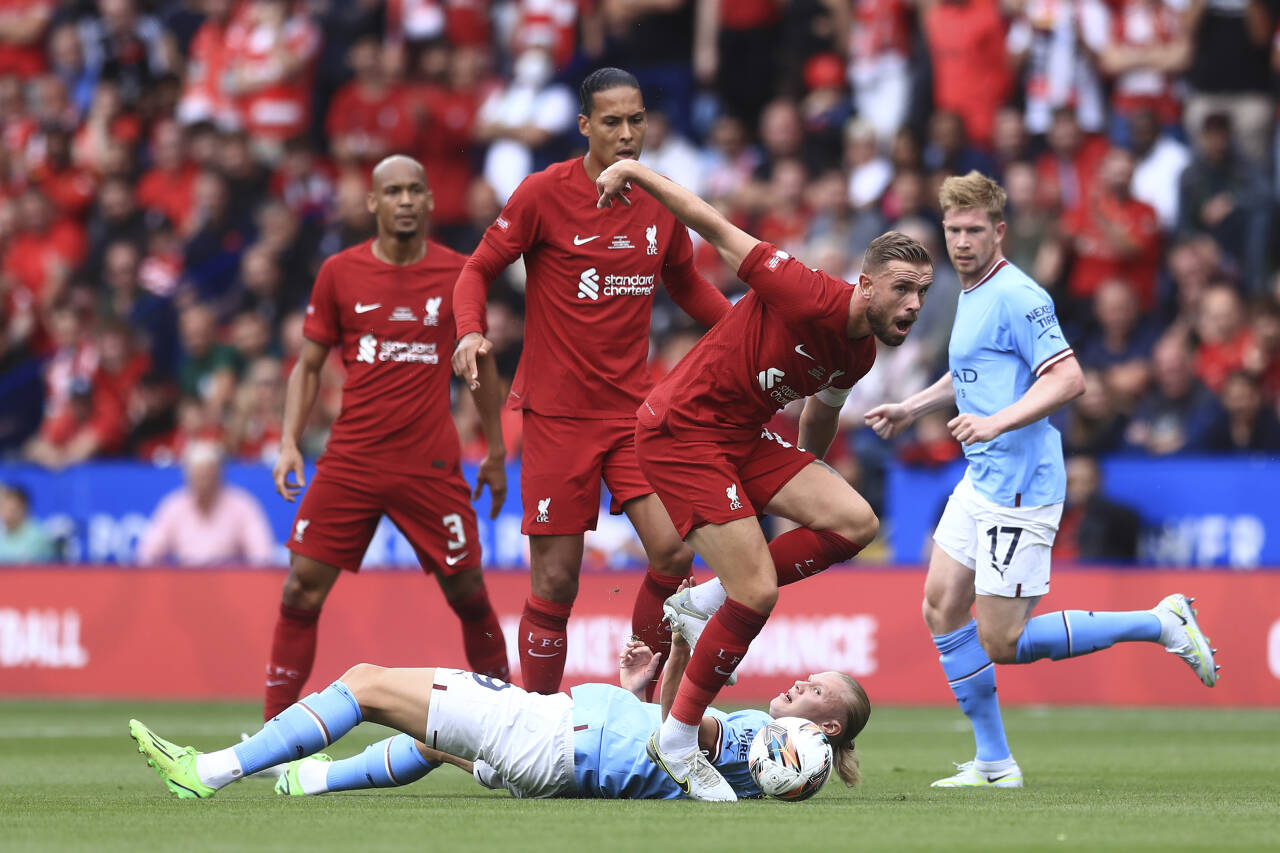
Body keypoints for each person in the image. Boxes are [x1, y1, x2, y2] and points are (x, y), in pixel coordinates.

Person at [592, 158, 934, 801]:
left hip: (742, 439)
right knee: (757, 594)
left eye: (922, 292)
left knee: (856, 520)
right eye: (902, 290)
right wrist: (636, 170)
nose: (913, 305)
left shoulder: (859, 352)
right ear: (865, 285)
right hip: (682, 430)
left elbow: (820, 416)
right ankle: (676, 738)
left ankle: (701, 602)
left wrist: (804, 486)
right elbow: (714, 226)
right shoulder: (806, 292)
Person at [863, 171, 1219, 790]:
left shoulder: (1021, 296)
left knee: (1003, 640)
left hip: (1022, 485)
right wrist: (913, 407)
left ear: (1000, 231)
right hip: (984, 477)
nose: (963, 241)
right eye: (953, 230)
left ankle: (1161, 622)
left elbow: (1068, 378)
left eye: (975, 230)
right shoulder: (970, 292)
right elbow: (972, 369)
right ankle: (995, 762)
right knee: (941, 605)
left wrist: (996, 422)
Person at [451, 68, 731, 698]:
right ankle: (540, 725)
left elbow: (687, 287)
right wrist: (469, 331)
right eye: (612, 122)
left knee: (674, 554)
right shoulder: (542, 194)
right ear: (585, 127)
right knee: (555, 584)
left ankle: (633, 700)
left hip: (636, 419)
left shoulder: (660, 200)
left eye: (637, 120)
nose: (628, 134)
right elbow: (476, 270)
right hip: (555, 417)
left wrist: (750, 331)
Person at [265, 155, 510, 721]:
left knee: (469, 594)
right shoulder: (338, 272)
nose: (404, 200)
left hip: (429, 464)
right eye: (393, 191)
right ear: (373, 202)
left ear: (429, 201)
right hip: (351, 459)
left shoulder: (459, 274)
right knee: (299, 589)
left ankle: (510, 727)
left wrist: (496, 452)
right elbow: (307, 366)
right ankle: (274, 731)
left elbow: (481, 361)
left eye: (415, 191)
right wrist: (287, 443)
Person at [128, 631, 871, 801]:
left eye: (814, 690)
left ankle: (209, 770)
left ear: (825, 726)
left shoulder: (756, 739)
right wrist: (640, 686)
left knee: (364, 683)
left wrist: (686, 644)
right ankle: (306, 779)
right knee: (425, 732)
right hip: (560, 746)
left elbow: (690, 724)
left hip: (549, 734)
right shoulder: (765, 769)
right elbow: (666, 740)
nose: (800, 683)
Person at [137, 440, 276, 566]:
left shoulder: (242, 505)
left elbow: (262, 556)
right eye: (198, 476)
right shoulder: (173, 506)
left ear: (218, 475)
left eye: (207, 476)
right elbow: (146, 554)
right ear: (188, 477)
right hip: (184, 584)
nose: (203, 483)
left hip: (230, 583)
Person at [0, 483, 55, 563]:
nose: (6, 513)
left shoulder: (37, 535)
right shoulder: (2, 532)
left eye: (11, 509)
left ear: (23, 509)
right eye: (3, 507)